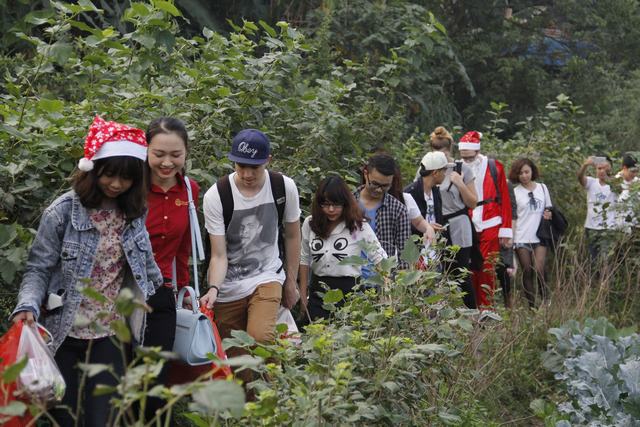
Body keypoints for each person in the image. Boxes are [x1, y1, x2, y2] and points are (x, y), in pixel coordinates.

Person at [11, 116, 163, 427]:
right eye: (110, 175)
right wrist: (26, 306)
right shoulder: (62, 212)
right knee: (62, 417)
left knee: (102, 419)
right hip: (62, 334)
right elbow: (38, 269)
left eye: (126, 178)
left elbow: (147, 270)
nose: (117, 184)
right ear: (93, 168)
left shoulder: (134, 213)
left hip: (110, 334)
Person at [200, 129, 301, 381]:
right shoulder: (217, 195)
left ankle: (276, 397)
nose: (246, 174)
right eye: (241, 165)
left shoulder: (283, 187)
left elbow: (292, 235)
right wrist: (213, 288)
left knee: (260, 338)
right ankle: (248, 414)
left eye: (254, 167)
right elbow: (219, 255)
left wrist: (291, 281)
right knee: (236, 360)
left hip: (267, 274)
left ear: (268, 160)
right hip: (229, 283)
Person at [143, 117, 199, 419]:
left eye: (175, 155)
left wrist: (185, 290)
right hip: (120, 294)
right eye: (159, 154)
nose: (167, 163)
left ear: (186, 153)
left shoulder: (190, 190)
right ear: (146, 151)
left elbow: (183, 248)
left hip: (163, 293)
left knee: (156, 381)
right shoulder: (130, 186)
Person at [299, 176, 387, 320]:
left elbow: (378, 256)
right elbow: (304, 259)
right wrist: (303, 294)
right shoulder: (310, 224)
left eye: (336, 204)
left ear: (345, 204)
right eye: (326, 204)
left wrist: (386, 291)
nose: (331, 209)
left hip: (349, 292)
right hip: (318, 291)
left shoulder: (358, 226)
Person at [405, 151, 477, 308]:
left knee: (436, 289)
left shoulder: (435, 191)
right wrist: (424, 228)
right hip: (418, 251)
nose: (446, 174)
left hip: (434, 249)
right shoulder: (410, 193)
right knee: (418, 291)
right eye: (444, 170)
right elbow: (404, 223)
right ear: (435, 172)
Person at [458, 131, 513, 311]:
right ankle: (473, 309)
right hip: (467, 221)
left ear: (477, 152)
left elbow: (504, 199)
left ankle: (487, 310)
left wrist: (506, 230)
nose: (466, 161)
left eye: (469, 157)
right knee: (469, 268)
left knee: (487, 268)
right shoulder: (457, 168)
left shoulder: (494, 167)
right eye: (463, 157)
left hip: (491, 221)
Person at [354, 154, 411, 270]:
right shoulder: (348, 203)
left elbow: (405, 254)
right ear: (366, 174)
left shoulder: (398, 209)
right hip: (351, 279)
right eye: (375, 184)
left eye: (385, 186)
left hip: (382, 280)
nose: (379, 189)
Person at [509, 158, 553, 308]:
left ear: (532, 171)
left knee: (539, 268)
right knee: (527, 271)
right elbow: (512, 216)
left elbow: (549, 208)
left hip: (540, 235)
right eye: (520, 173)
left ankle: (546, 301)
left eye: (527, 172)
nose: (524, 176)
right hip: (521, 237)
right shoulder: (515, 192)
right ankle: (532, 307)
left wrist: (549, 214)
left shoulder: (542, 188)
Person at [577, 155, 617, 261]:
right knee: (593, 260)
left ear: (610, 169)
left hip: (608, 228)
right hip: (591, 228)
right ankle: (596, 278)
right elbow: (580, 177)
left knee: (606, 260)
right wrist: (585, 165)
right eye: (599, 168)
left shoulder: (614, 185)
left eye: (604, 168)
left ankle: (607, 277)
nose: (602, 171)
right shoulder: (591, 182)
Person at [615, 153, 639, 233]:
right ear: (624, 168)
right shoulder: (615, 183)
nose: (635, 174)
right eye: (632, 172)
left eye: (636, 171)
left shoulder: (637, 182)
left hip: (636, 227)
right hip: (621, 229)